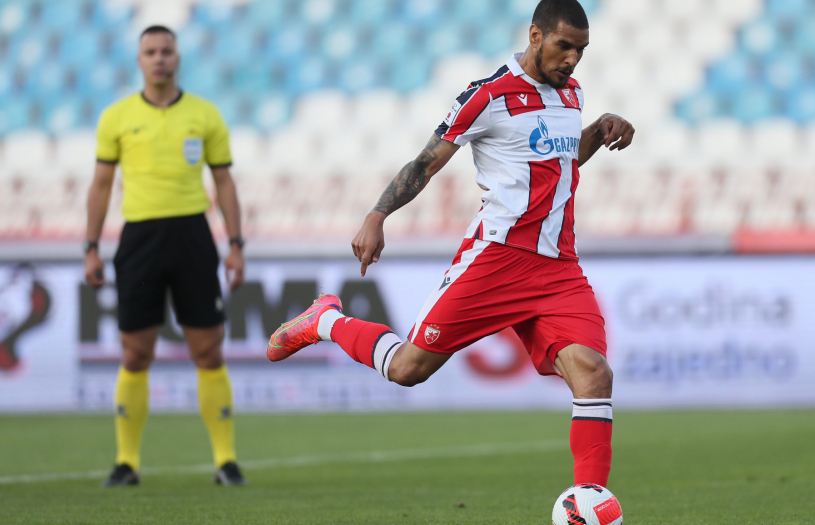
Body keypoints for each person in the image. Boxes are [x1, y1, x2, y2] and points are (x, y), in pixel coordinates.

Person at [268, 0, 634, 488]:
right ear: (535, 36)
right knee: (407, 369)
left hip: (559, 268)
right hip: (498, 259)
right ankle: (325, 321)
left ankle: (590, 504)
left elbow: (561, 160)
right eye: (564, 46)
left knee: (594, 374)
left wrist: (599, 129)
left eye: (581, 50)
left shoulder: (572, 95)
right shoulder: (488, 96)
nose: (572, 59)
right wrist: (377, 215)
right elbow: (425, 163)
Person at [85, 25, 246, 486]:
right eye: (151, 52)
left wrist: (235, 245)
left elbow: (224, 182)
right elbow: (101, 185)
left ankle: (225, 461)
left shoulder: (204, 114)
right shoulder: (117, 116)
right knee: (135, 352)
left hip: (193, 235)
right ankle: (126, 462)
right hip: (139, 238)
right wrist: (91, 247)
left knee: (208, 350)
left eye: (166, 51)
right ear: (139, 60)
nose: (159, 58)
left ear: (177, 58)